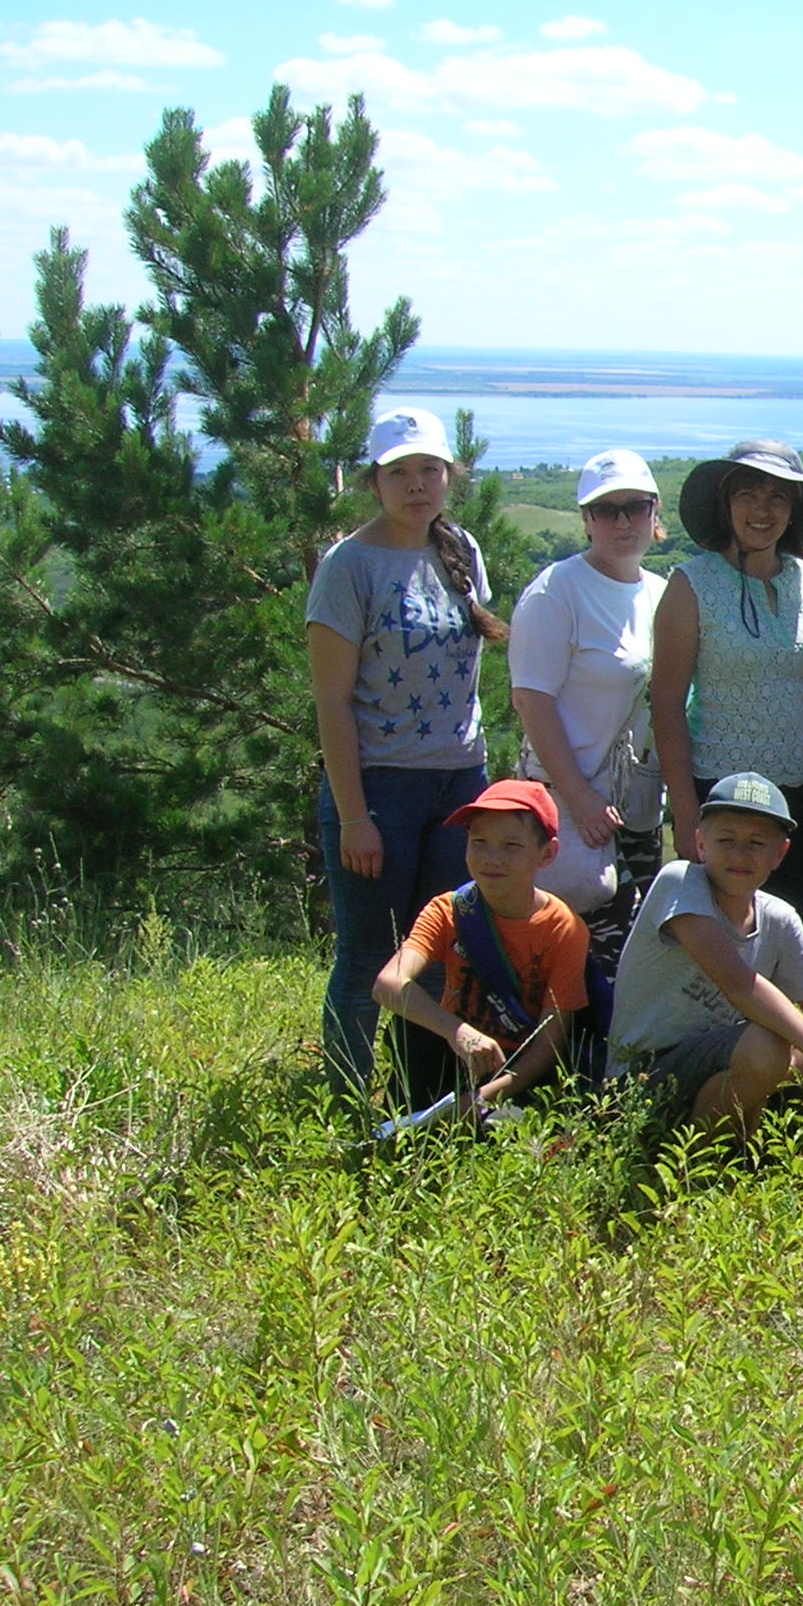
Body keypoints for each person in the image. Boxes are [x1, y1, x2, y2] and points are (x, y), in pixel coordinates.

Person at [306, 406, 508, 1095]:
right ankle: (346, 1100)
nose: (416, 485)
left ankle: (424, 1097)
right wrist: (354, 815)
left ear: (450, 476)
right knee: (369, 956)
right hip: (380, 787)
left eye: (430, 470)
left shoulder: (462, 550)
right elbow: (331, 701)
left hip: (459, 782)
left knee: (439, 952)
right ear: (375, 481)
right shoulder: (349, 566)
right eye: (400, 472)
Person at [607, 774, 803, 1140]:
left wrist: (773, 1075)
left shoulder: (778, 918)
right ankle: (699, 1169)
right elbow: (738, 984)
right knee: (763, 1046)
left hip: (744, 1072)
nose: (740, 854)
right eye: (725, 839)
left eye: (757, 843)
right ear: (700, 843)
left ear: (780, 854)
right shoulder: (679, 883)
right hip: (644, 1081)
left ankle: (768, 1161)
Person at [650, 438, 803, 922]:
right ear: (725, 505)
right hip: (720, 794)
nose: (762, 510)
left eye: (778, 497)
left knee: (784, 929)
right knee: (719, 941)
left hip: (797, 792)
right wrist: (685, 809)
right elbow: (667, 702)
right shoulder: (690, 584)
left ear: (793, 511)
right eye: (747, 495)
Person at [509, 448, 669, 977]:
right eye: (606, 509)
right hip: (567, 801)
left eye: (635, 506)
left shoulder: (659, 594)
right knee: (583, 941)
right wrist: (578, 800)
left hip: (634, 805)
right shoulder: (557, 594)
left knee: (638, 943)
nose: (622, 520)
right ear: (586, 520)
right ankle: (576, 1053)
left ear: (654, 511)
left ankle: (620, 1055)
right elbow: (531, 701)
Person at [370, 779, 590, 1113]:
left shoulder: (564, 928)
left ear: (547, 854)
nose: (491, 858)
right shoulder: (449, 910)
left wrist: (483, 1099)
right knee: (410, 1027)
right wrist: (457, 1033)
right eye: (479, 842)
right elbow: (387, 985)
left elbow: (549, 1045)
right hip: (458, 1052)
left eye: (511, 846)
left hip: (519, 1070)